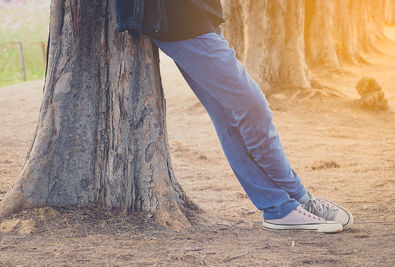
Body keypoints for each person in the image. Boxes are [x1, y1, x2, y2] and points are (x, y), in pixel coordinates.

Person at [115, 0, 353, 233]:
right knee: (253, 106)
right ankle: (298, 196)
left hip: (198, 17)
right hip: (178, 20)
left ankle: (280, 207)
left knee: (228, 118)